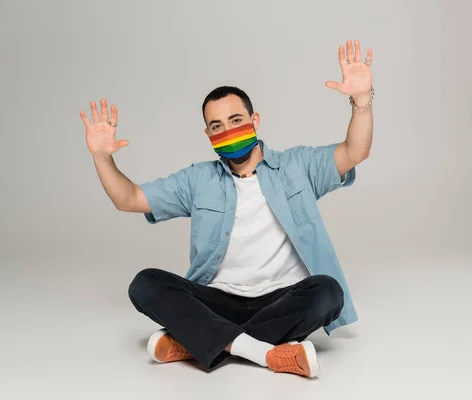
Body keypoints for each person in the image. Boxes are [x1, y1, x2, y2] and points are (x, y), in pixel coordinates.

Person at [79, 39, 374, 378]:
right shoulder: (198, 180)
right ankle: (266, 354)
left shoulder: (298, 166)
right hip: (215, 300)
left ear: (255, 119)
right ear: (208, 134)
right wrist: (102, 157)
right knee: (145, 284)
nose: (228, 131)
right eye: (217, 126)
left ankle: (197, 342)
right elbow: (127, 198)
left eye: (236, 119)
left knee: (327, 292)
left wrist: (362, 101)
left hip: (283, 299)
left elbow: (355, 151)